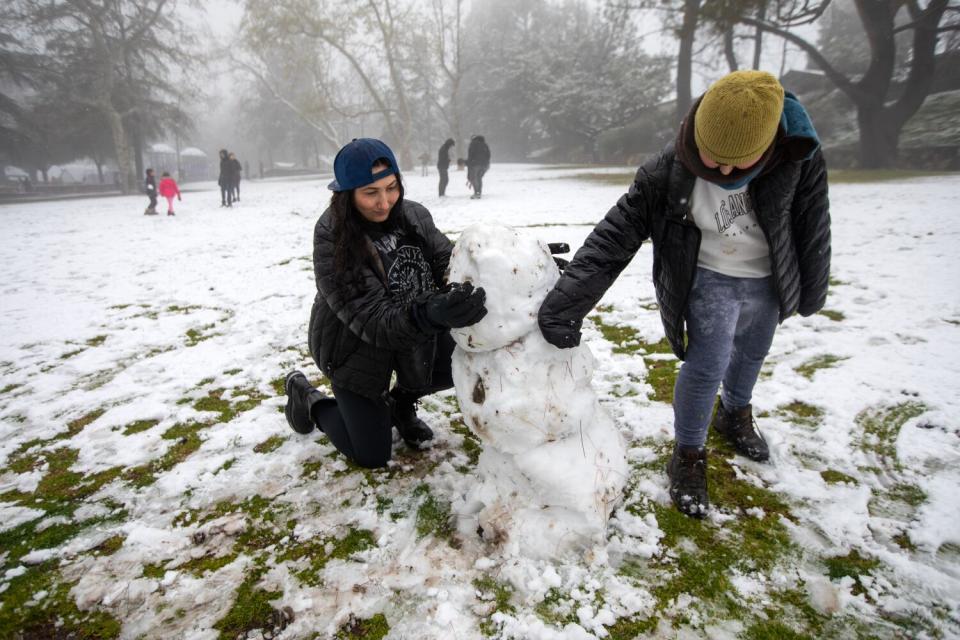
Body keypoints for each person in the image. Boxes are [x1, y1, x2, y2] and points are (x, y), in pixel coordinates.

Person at [537, 70, 831, 518]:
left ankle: (734, 413)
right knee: (707, 362)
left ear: (769, 148)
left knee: (753, 351)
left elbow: (813, 221)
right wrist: (566, 304)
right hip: (708, 276)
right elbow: (613, 238)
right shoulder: (666, 171)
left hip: (766, 279)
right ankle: (688, 453)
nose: (725, 172)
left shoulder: (799, 157)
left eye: (740, 163)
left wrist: (811, 288)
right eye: (713, 160)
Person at [284, 138, 488, 469]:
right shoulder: (333, 237)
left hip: (413, 332)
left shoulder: (414, 216)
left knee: (461, 356)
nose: (384, 203)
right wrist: (429, 312)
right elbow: (375, 321)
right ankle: (308, 399)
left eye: (391, 187)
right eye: (370, 193)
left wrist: (506, 268)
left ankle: (400, 405)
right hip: (356, 345)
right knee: (371, 454)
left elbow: (451, 264)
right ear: (347, 194)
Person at [465, 135, 490, 199]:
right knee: (479, 178)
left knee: (474, 178)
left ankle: (477, 192)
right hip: (485, 165)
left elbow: (470, 154)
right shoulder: (485, 144)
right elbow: (488, 155)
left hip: (475, 164)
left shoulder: (473, 144)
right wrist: (486, 162)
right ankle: (479, 192)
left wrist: (469, 163)